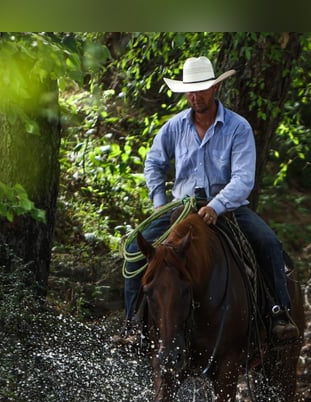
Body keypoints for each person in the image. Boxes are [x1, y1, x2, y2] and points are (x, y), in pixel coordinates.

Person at [115, 56, 299, 346]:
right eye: (190, 90)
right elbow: (153, 164)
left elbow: (242, 179)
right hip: (180, 207)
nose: (195, 95)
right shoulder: (174, 127)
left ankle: (278, 313)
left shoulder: (238, 128)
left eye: (201, 89)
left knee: (268, 243)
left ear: (214, 89)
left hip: (228, 209)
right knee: (135, 250)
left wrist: (216, 206)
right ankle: (133, 324)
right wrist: (160, 202)